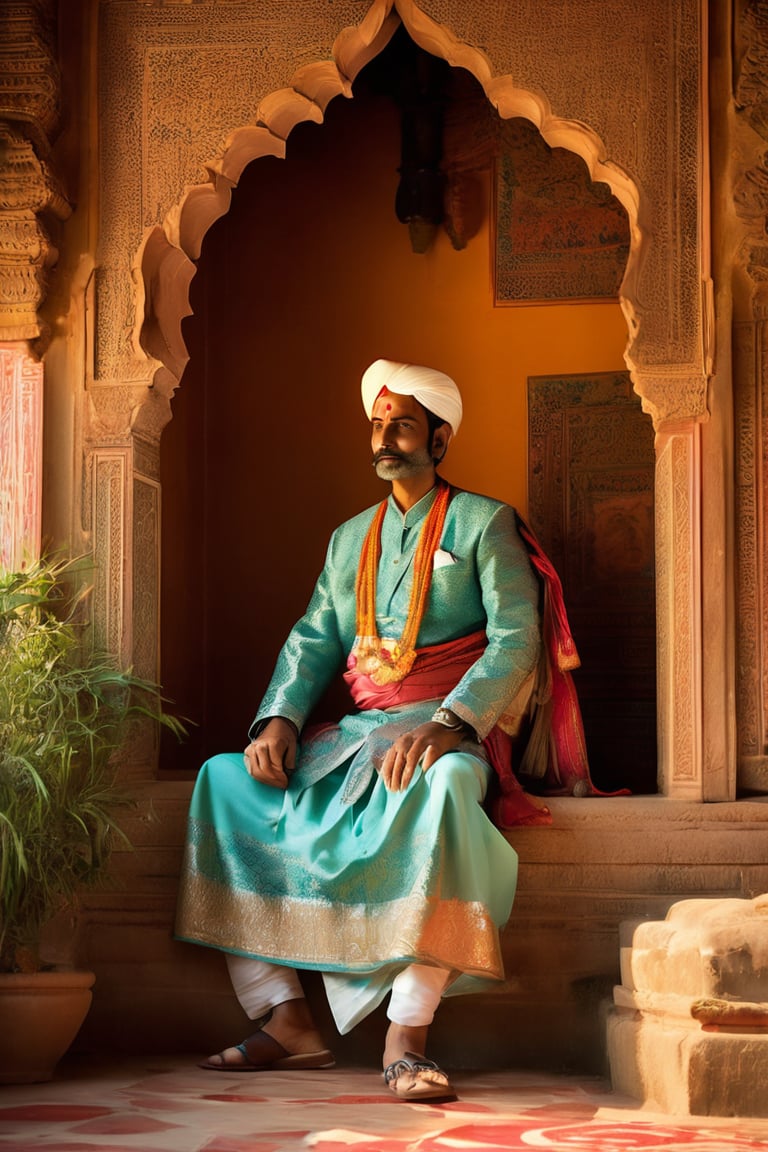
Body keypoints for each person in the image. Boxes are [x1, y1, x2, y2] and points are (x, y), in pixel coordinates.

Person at [175, 358, 544, 1102]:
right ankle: (285, 1018)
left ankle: (407, 1035)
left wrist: (449, 726)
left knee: (441, 791)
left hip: (449, 735)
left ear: (439, 440)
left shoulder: (484, 522)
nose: (384, 438)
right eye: (377, 425)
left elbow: (516, 641)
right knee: (224, 779)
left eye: (401, 425)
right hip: (356, 736)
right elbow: (316, 637)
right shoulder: (350, 538)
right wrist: (278, 717)